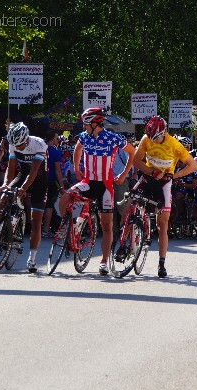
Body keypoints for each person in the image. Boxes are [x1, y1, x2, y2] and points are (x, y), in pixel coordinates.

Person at [116, 115, 197, 278]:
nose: (152, 141)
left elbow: (193, 165)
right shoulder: (146, 139)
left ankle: (161, 263)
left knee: (163, 223)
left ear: (164, 133)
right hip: (147, 178)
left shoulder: (175, 145)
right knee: (128, 207)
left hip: (164, 184)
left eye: (156, 138)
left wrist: (173, 176)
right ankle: (122, 244)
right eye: (150, 138)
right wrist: (151, 171)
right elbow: (136, 161)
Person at [59, 108, 135, 276]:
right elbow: (77, 149)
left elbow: (132, 152)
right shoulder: (84, 136)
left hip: (105, 186)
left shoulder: (113, 137)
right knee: (65, 197)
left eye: (86, 123)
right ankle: (69, 230)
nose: (83, 126)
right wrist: (76, 168)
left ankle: (103, 262)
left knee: (106, 226)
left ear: (94, 123)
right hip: (87, 182)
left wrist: (123, 174)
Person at [0, 122, 49, 273]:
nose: (18, 148)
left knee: (35, 221)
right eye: (16, 146)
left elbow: (34, 171)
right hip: (23, 175)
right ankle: (0, 229)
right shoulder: (13, 143)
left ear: (26, 139)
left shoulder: (39, 144)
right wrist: (5, 185)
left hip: (39, 179)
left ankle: (32, 259)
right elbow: (11, 167)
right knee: (3, 196)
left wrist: (23, 189)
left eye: (20, 145)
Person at [41, 131, 65, 238]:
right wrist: (62, 186)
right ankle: (46, 229)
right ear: (51, 139)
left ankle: (38, 228)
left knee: (40, 204)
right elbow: (57, 170)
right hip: (51, 181)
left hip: (40, 179)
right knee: (49, 205)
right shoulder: (55, 151)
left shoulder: (40, 149)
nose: (57, 140)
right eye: (56, 138)